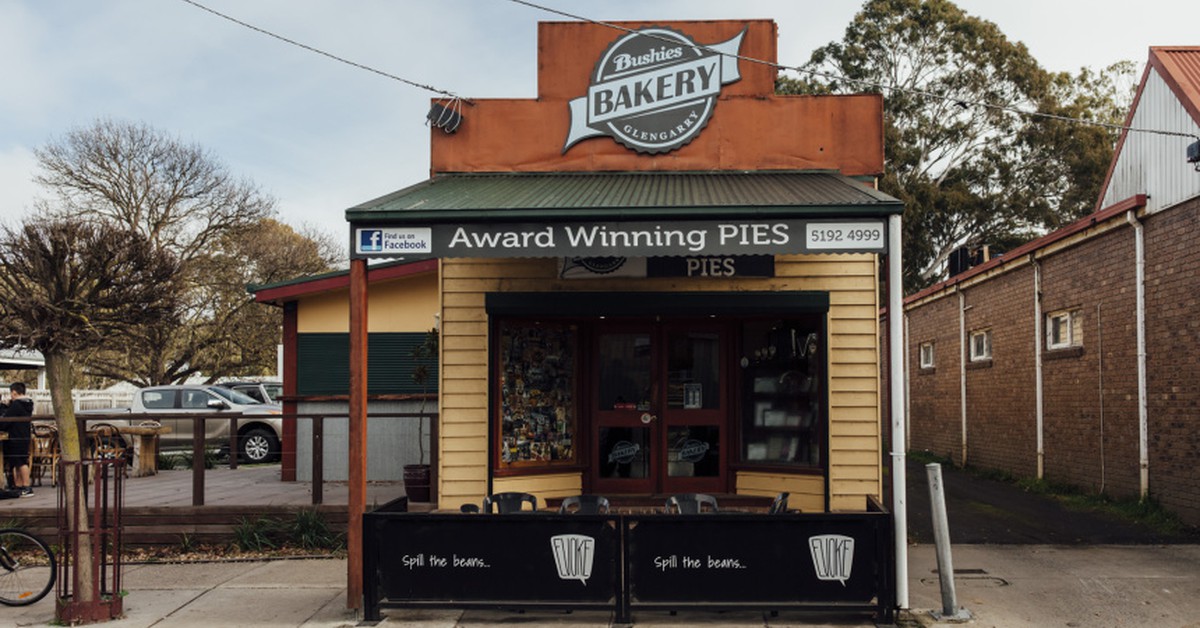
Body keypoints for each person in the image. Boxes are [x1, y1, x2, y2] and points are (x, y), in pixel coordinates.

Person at [1, 382, 35, 497]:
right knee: (18, 461)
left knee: (21, 462)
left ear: (14, 392)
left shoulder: (17, 405)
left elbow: (6, 420)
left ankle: (26, 486)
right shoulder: (27, 403)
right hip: (24, 435)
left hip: (16, 436)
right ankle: (19, 486)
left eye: (11, 393)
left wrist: (5, 407)